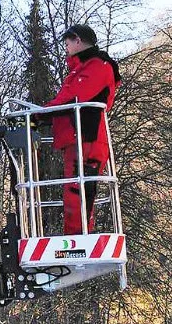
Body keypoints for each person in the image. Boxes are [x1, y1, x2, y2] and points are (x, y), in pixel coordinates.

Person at [40, 23, 122, 235]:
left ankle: (77, 244)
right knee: (76, 192)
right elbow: (67, 101)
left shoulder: (96, 66)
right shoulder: (84, 67)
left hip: (87, 139)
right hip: (78, 140)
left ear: (77, 40)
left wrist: (38, 115)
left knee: (78, 193)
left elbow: (71, 99)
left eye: (67, 43)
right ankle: (76, 240)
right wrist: (40, 118)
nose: (65, 48)